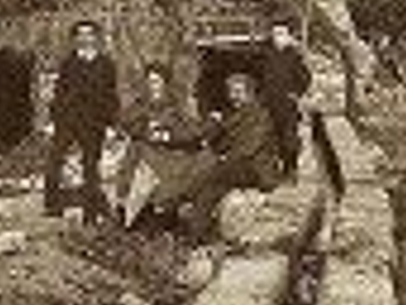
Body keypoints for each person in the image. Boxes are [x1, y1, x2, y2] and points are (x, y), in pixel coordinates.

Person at [174, 70, 285, 240]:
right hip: (238, 167)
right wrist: (214, 123)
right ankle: (196, 234)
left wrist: (222, 158)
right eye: (231, 92)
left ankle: (182, 198)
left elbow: (248, 149)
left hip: (257, 169)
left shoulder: (261, 116)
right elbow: (218, 142)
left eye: (238, 92)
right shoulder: (235, 115)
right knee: (211, 189)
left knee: (215, 172)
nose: (234, 97)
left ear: (250, 93)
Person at [113, 60, 211, 231]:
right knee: (135, 162)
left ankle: (161, 213)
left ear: (165, 83)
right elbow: (125, 122)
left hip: (171, 152)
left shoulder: (176, 103)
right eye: (150, 82)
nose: (154, 86)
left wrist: (169, 135)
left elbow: (193, 131)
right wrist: (144, 128)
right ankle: (129, 212)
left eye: (157, 82)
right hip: (146, 150)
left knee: (176, 173)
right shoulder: (141, 103)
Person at [44, 19, 119, 224]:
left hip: (93, 122)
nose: (85, 38)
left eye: (89, 34)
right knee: (54, 161)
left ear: (96, 37)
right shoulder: (68, 63)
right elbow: (59, 95)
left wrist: (111, 125)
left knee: (90, 168)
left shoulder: (106, 64)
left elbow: (111, 97)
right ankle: (53, 206)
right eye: (80, 35)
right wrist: (52, 122)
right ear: (75, 39)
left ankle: (90, 215)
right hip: (67, 121)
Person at [260, 19, 310, 176]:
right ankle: (274, 170)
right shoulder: (265, 54)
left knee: (289, 139)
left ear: (288, 36)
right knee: (271, 138)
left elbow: (306, 77)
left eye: (281, 34)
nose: (277, 37)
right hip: (269, 103)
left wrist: (296, 93)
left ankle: (291, 169)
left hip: (288, 104)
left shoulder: (294, 56)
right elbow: (257, 76)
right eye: (275, 34)